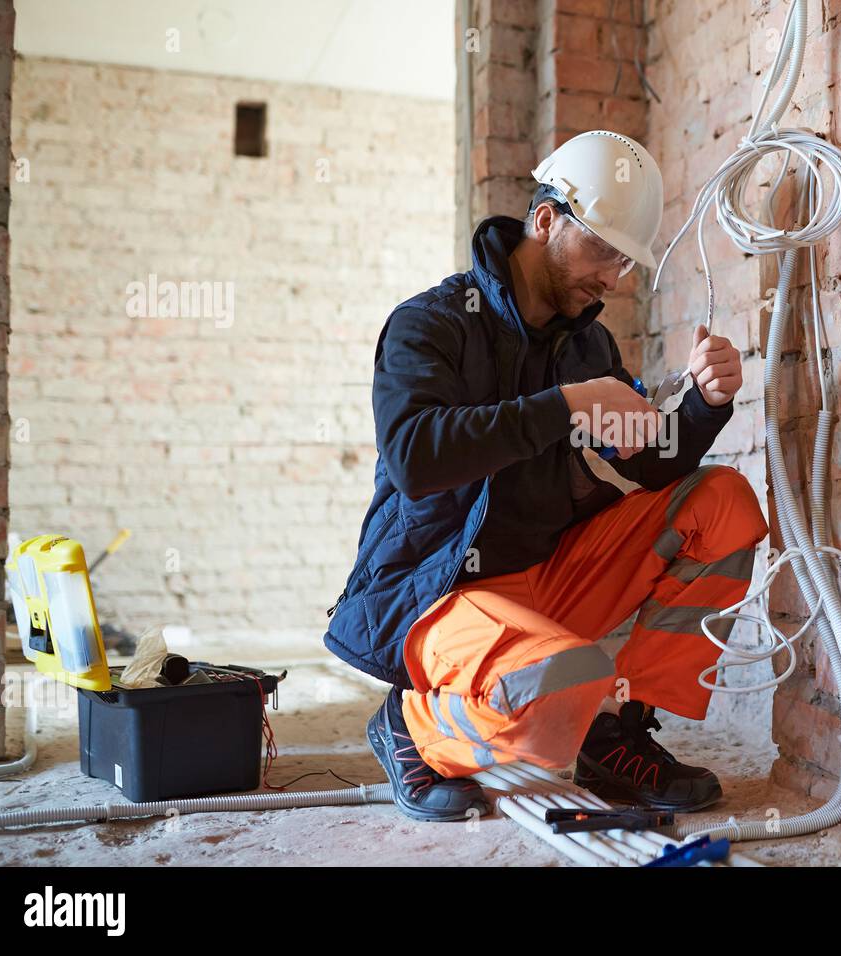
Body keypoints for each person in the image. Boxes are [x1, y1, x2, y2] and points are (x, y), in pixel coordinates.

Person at [323, 130, 768, 822]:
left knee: (724, 503)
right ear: (545, 219)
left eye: (625, 262)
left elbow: (645, 462)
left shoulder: (588, 344)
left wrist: (705, 405)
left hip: (548, 576)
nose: (612, 279)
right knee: (551, 707)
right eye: (603, 251)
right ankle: (415, 726)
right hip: (441, 594)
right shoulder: (428, 327)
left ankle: (618, 730)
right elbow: (416, 457)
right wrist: (565, 405)